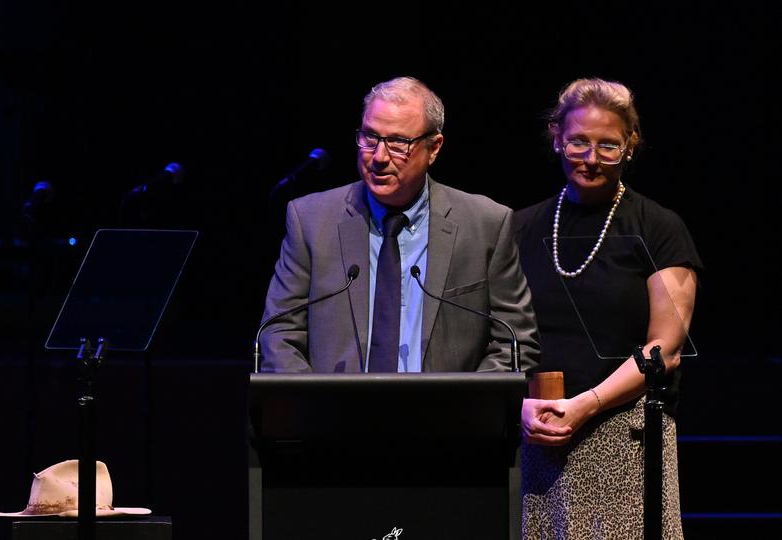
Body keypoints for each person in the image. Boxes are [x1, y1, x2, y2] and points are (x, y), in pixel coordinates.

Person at [514, 78, 703, 538]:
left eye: (608, 145)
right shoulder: (520, 226)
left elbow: (666, 348)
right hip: (535, 434)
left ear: (630, 146)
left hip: (625, 436)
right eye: (578, 141)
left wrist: (586, 405)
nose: (591, 158)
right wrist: (516, 406)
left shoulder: (658, 227)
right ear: (557, 137)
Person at [259, 76, 540, 373]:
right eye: (370, 137)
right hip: (333, 415)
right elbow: (279, 334)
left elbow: (516, 342)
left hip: (447, 416)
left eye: (397, 142)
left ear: (434, 148)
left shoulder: (486, 225)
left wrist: (464, 405)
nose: (379, 157)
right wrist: (318, 409)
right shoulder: (311, 221)